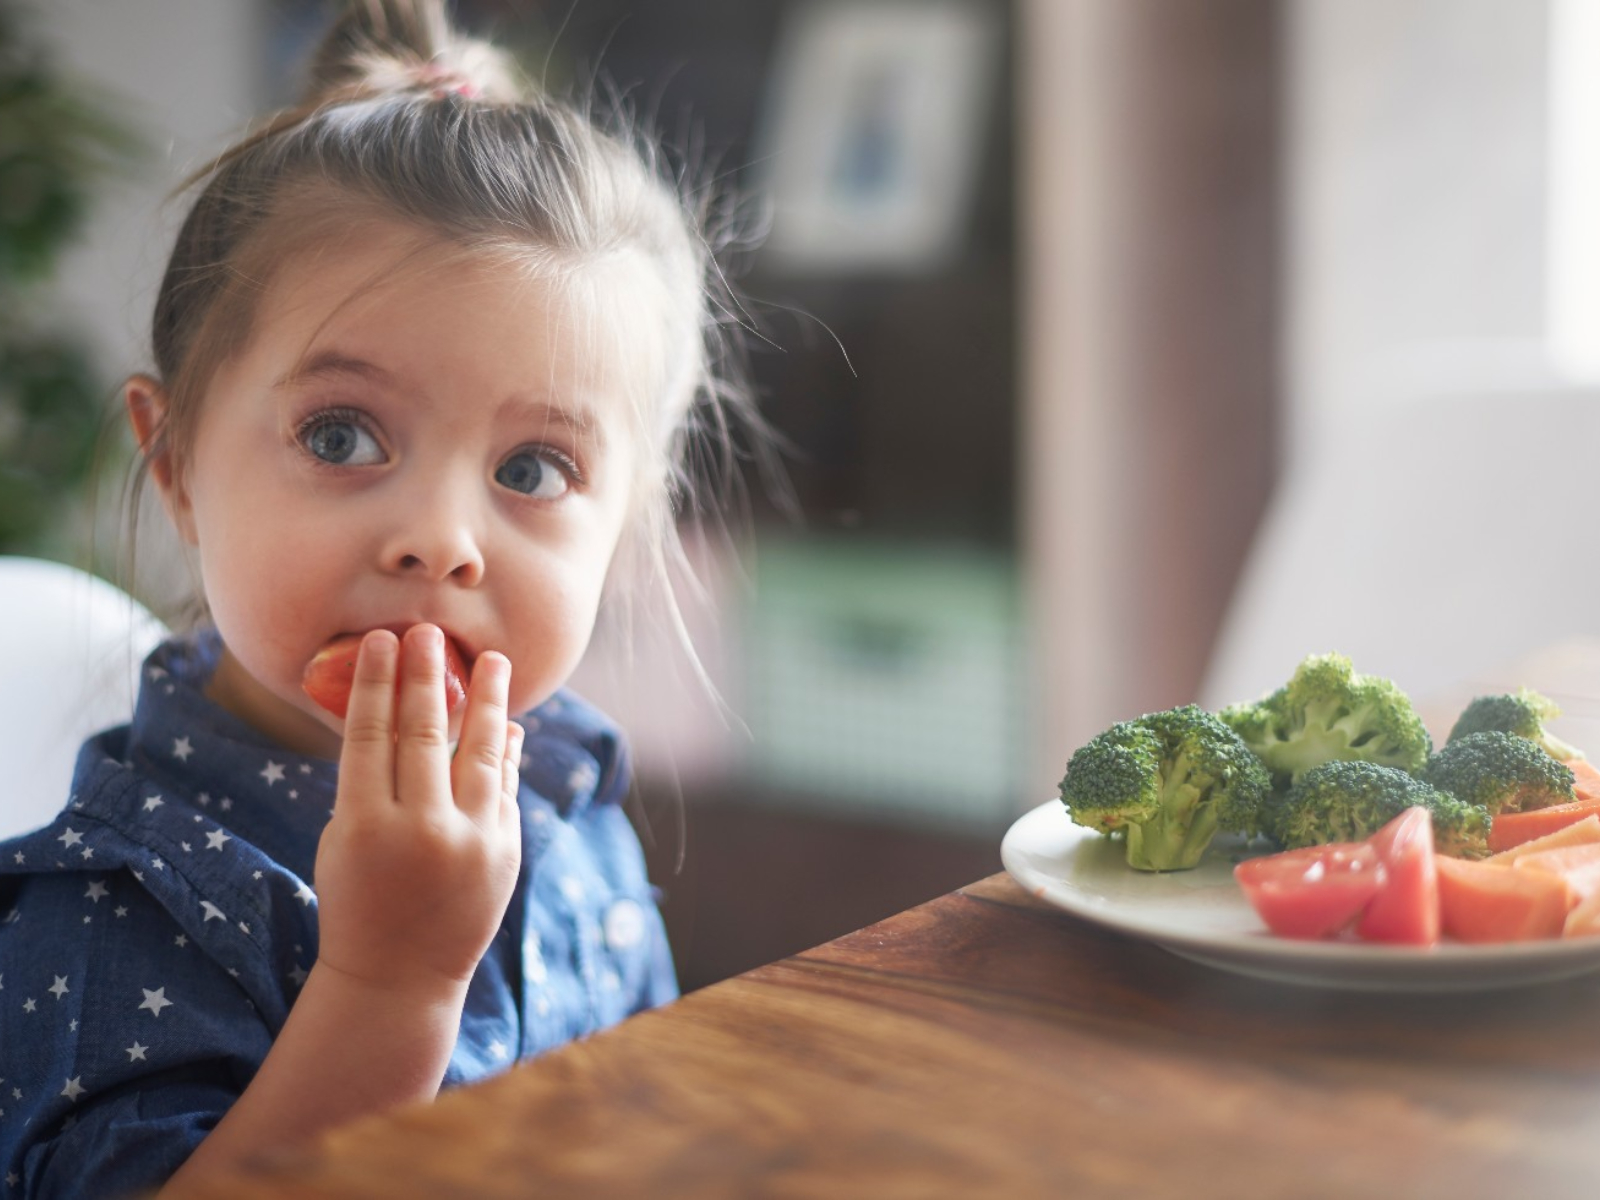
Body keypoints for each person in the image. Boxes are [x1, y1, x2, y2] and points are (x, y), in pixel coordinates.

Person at [0, 1, 751, 1194]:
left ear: (628, 519)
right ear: (179, 463)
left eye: (533, 471)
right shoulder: (120, 903)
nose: (441, 541)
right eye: (341, 435)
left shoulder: (564, 782)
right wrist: (390, 985)